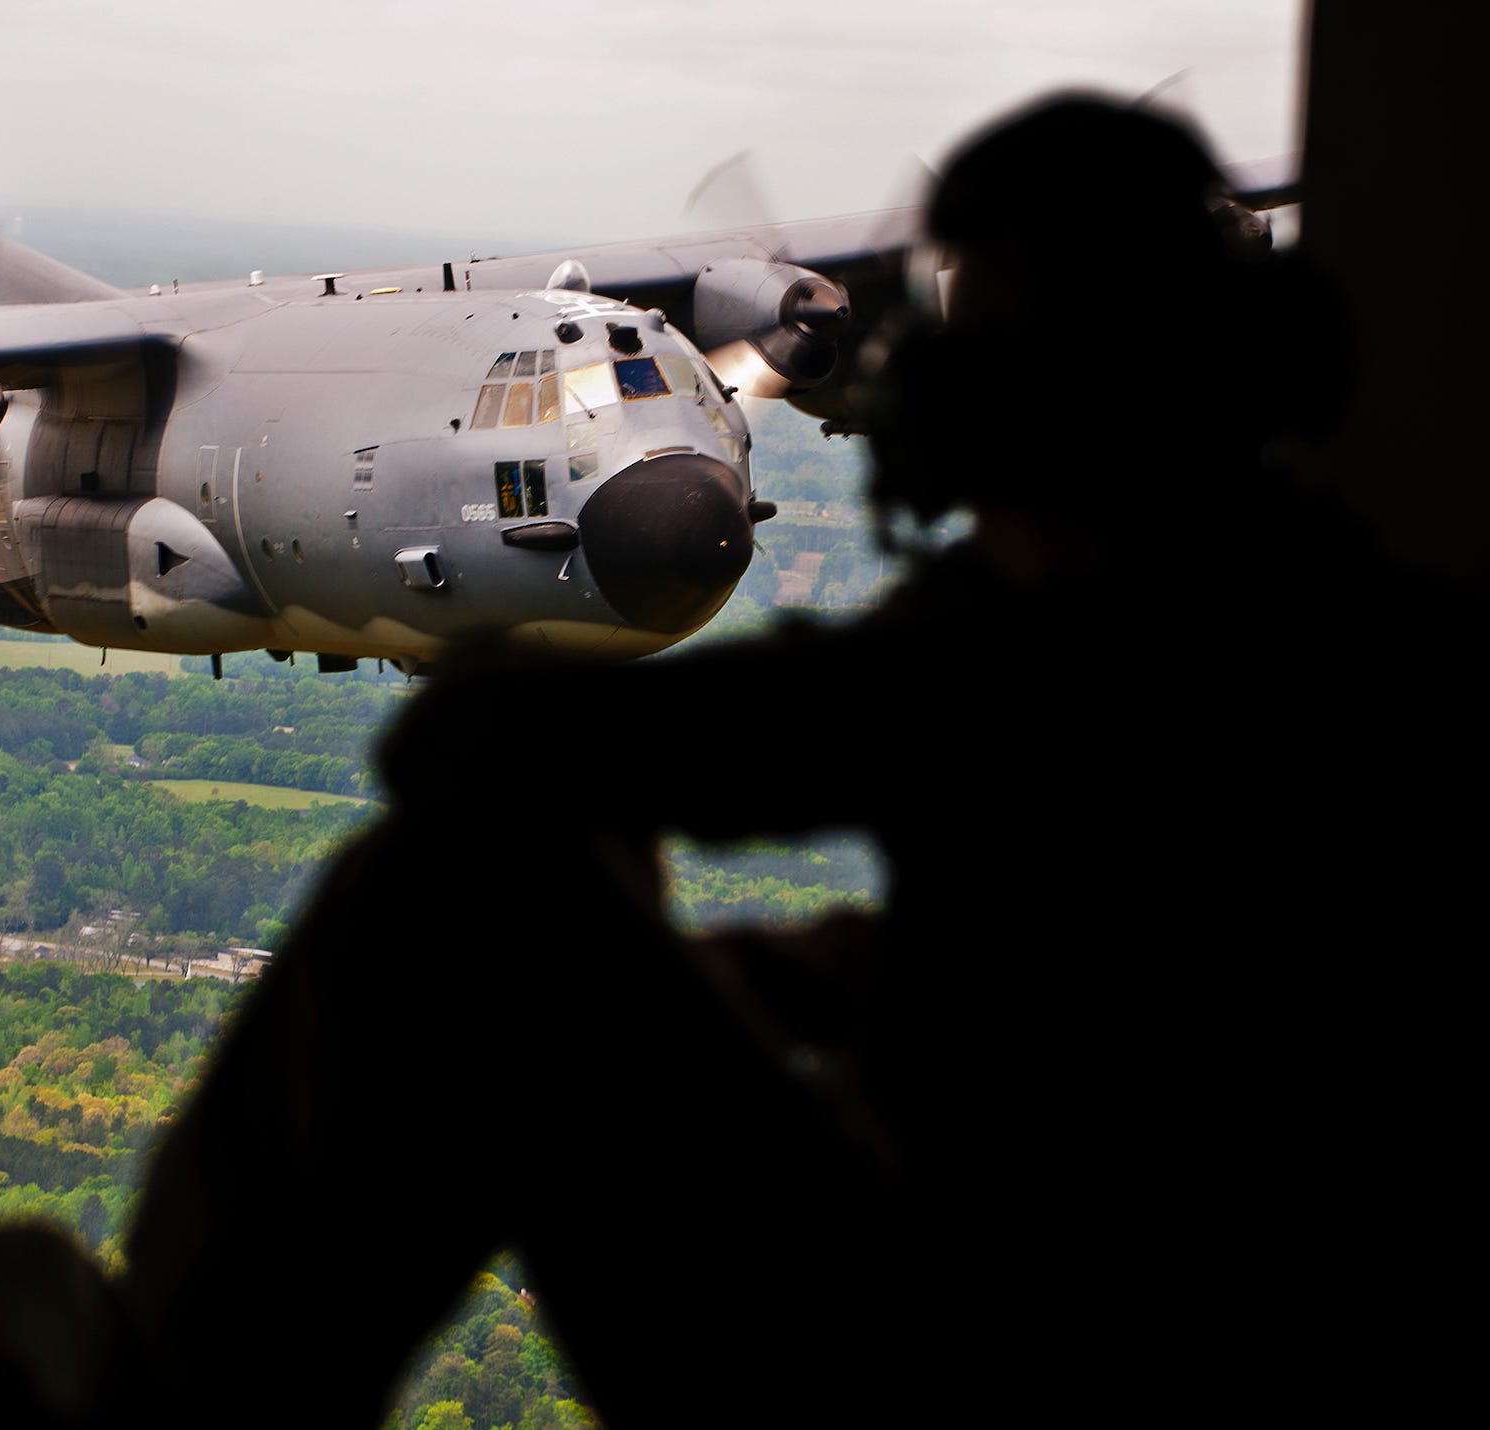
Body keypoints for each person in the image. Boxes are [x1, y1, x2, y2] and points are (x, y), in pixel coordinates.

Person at [125, 93, 1469, 1423]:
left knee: (453, 903)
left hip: (942, 1339)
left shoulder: (1042, 639)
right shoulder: (1363, 636)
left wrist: (505, 687)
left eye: (972, 353)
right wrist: (822, 968)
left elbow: (494, 745)